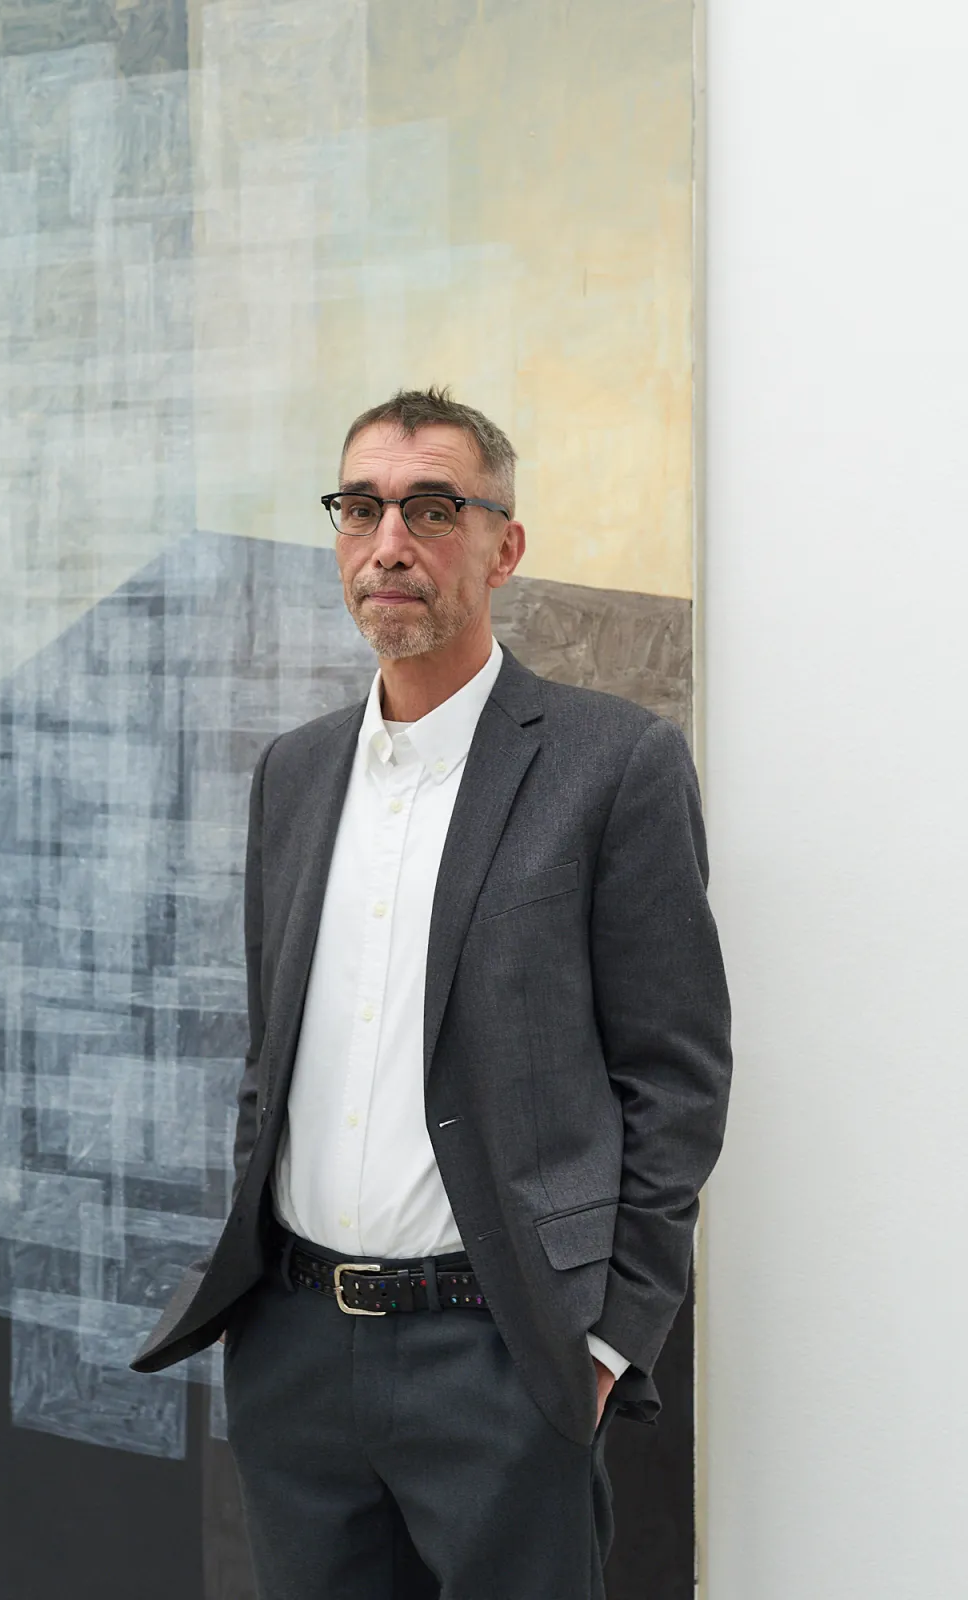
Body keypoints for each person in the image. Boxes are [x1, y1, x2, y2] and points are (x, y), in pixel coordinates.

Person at [132, 387, 732, 1598]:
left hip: (503, 1357)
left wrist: (607, 1339)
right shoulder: (294, 772)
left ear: (504, 547)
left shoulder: (613, 765)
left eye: (433, 508)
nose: (390, 542)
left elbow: (675, 1079)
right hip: (297, 1352)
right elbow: (270, 1056)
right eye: (361, 508)